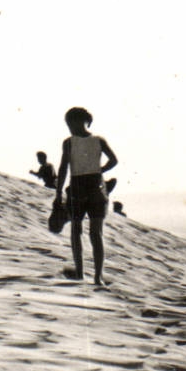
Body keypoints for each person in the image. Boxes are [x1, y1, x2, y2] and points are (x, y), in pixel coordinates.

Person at [54, 106, 118, 285]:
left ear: (78, 121)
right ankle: (97, 276)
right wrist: (100, 171)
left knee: (77, 230)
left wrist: (59, 192)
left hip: (78, 187)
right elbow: (114, 160)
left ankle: (83, 273)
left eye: (70, 123)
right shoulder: (98, 140)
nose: (69, 127)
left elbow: (63, 167)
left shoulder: (69, 142)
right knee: (95, 233)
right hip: (96, 186)